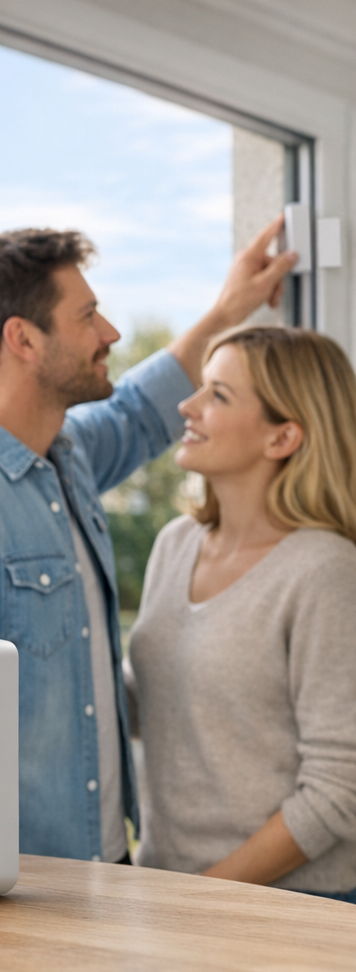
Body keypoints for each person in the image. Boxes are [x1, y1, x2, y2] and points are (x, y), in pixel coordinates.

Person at [0, 218, 296, 863]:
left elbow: (138, 411)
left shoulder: (64, 456)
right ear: (23, 339)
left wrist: (228, 310)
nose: (110, 333)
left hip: (99, 865)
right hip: (17, 892)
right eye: (88, 316)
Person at [129, 326, 356, 899]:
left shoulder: (325, 571)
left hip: (289, 909)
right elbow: (158, 700)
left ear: (283, 436)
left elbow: (340, 787)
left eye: (218, 395)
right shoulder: (175, 543)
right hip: (169, 891)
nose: (188, 406)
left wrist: (202, 897)